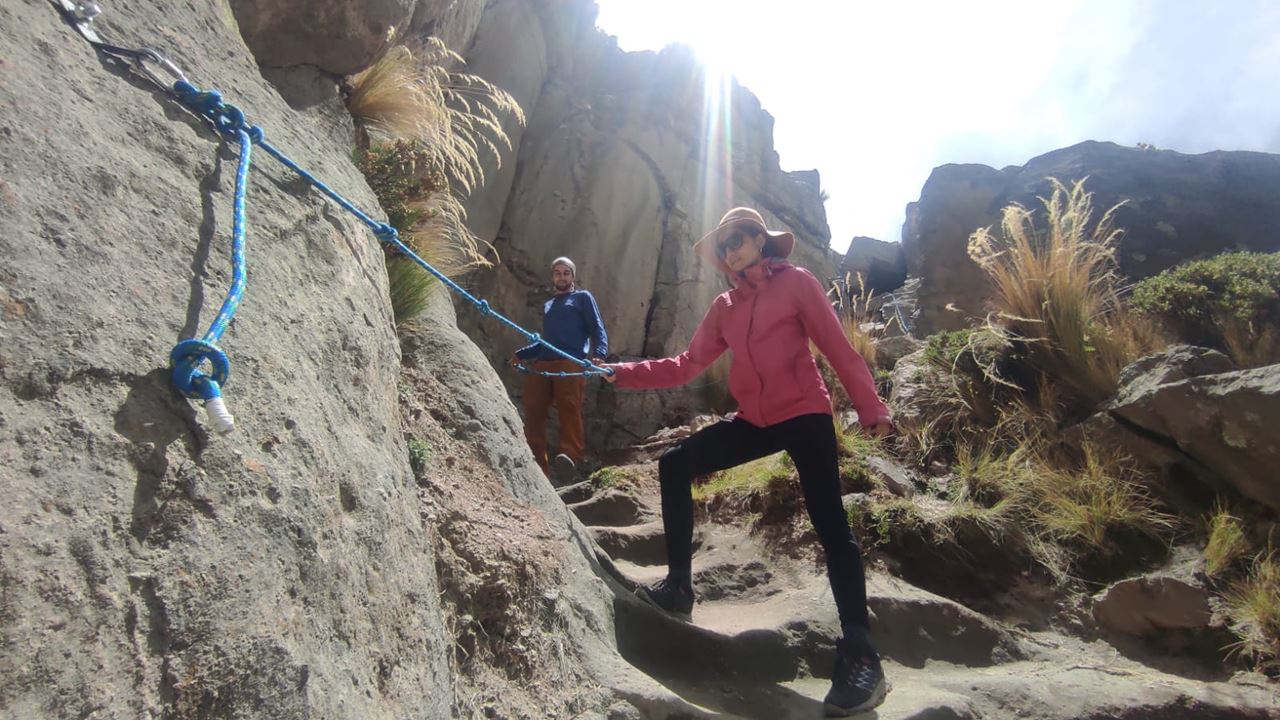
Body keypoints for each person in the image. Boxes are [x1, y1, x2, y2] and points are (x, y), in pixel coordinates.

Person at [602, 208, 893, 716]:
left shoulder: (797, 283)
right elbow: (685, 365)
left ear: (761, 240)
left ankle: (861, 652)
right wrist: (623, 372)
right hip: (755, 420)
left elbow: (838, 347)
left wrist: (871, 407)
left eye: (737, 240)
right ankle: (678, 587)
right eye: (723, 245)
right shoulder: (726, 306)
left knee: (830, 521)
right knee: (675, 463)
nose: (729, 250)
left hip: (804, 413)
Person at [514, 256, 608, 483]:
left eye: (566, 272)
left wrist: (600, 353)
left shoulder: (583, 298)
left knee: (569, 404)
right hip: (544, 362)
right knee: (533, 409)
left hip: (570, 360)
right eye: (558, 272)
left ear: (573, 276)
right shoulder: (549, 305)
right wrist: (521, 354)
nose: (562, 276)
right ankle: (538, 465)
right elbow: (546, 341)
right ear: (552, 276)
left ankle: (570, 454)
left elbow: (597, 328)